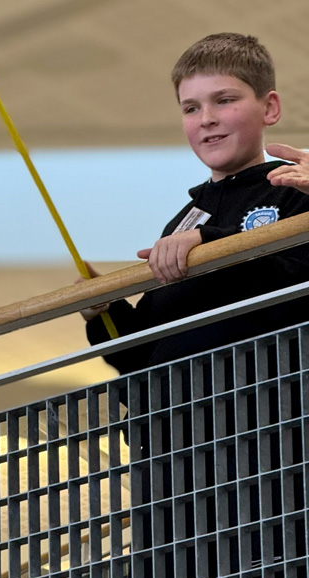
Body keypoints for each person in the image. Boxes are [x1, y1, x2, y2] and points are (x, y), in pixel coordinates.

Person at [82, 33, 309, 375]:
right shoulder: (182, 224)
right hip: (176, 420)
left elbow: (292, 293)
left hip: (269, 412)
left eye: (224, 100)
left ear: (270, 107)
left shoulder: (295, 189)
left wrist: (211, 243)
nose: (206, 119)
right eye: (191, 108)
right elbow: (141, 355)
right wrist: (105, 310)